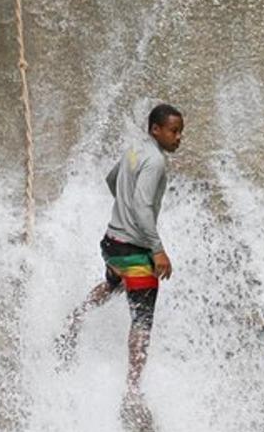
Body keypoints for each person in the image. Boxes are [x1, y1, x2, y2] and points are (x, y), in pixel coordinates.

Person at [58, 104, 184, 387]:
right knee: (142, 320)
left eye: (180, 132)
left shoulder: (134, 151)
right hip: (136, 251)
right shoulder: (155, 161)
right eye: (174, 131)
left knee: (114, 283)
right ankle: (133, 389)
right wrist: (157, 250)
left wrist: (124, 211)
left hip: (112, 244)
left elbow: (112, 180)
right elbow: (142, 205)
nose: (178, 138)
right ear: (156, 129)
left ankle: (75, 319)